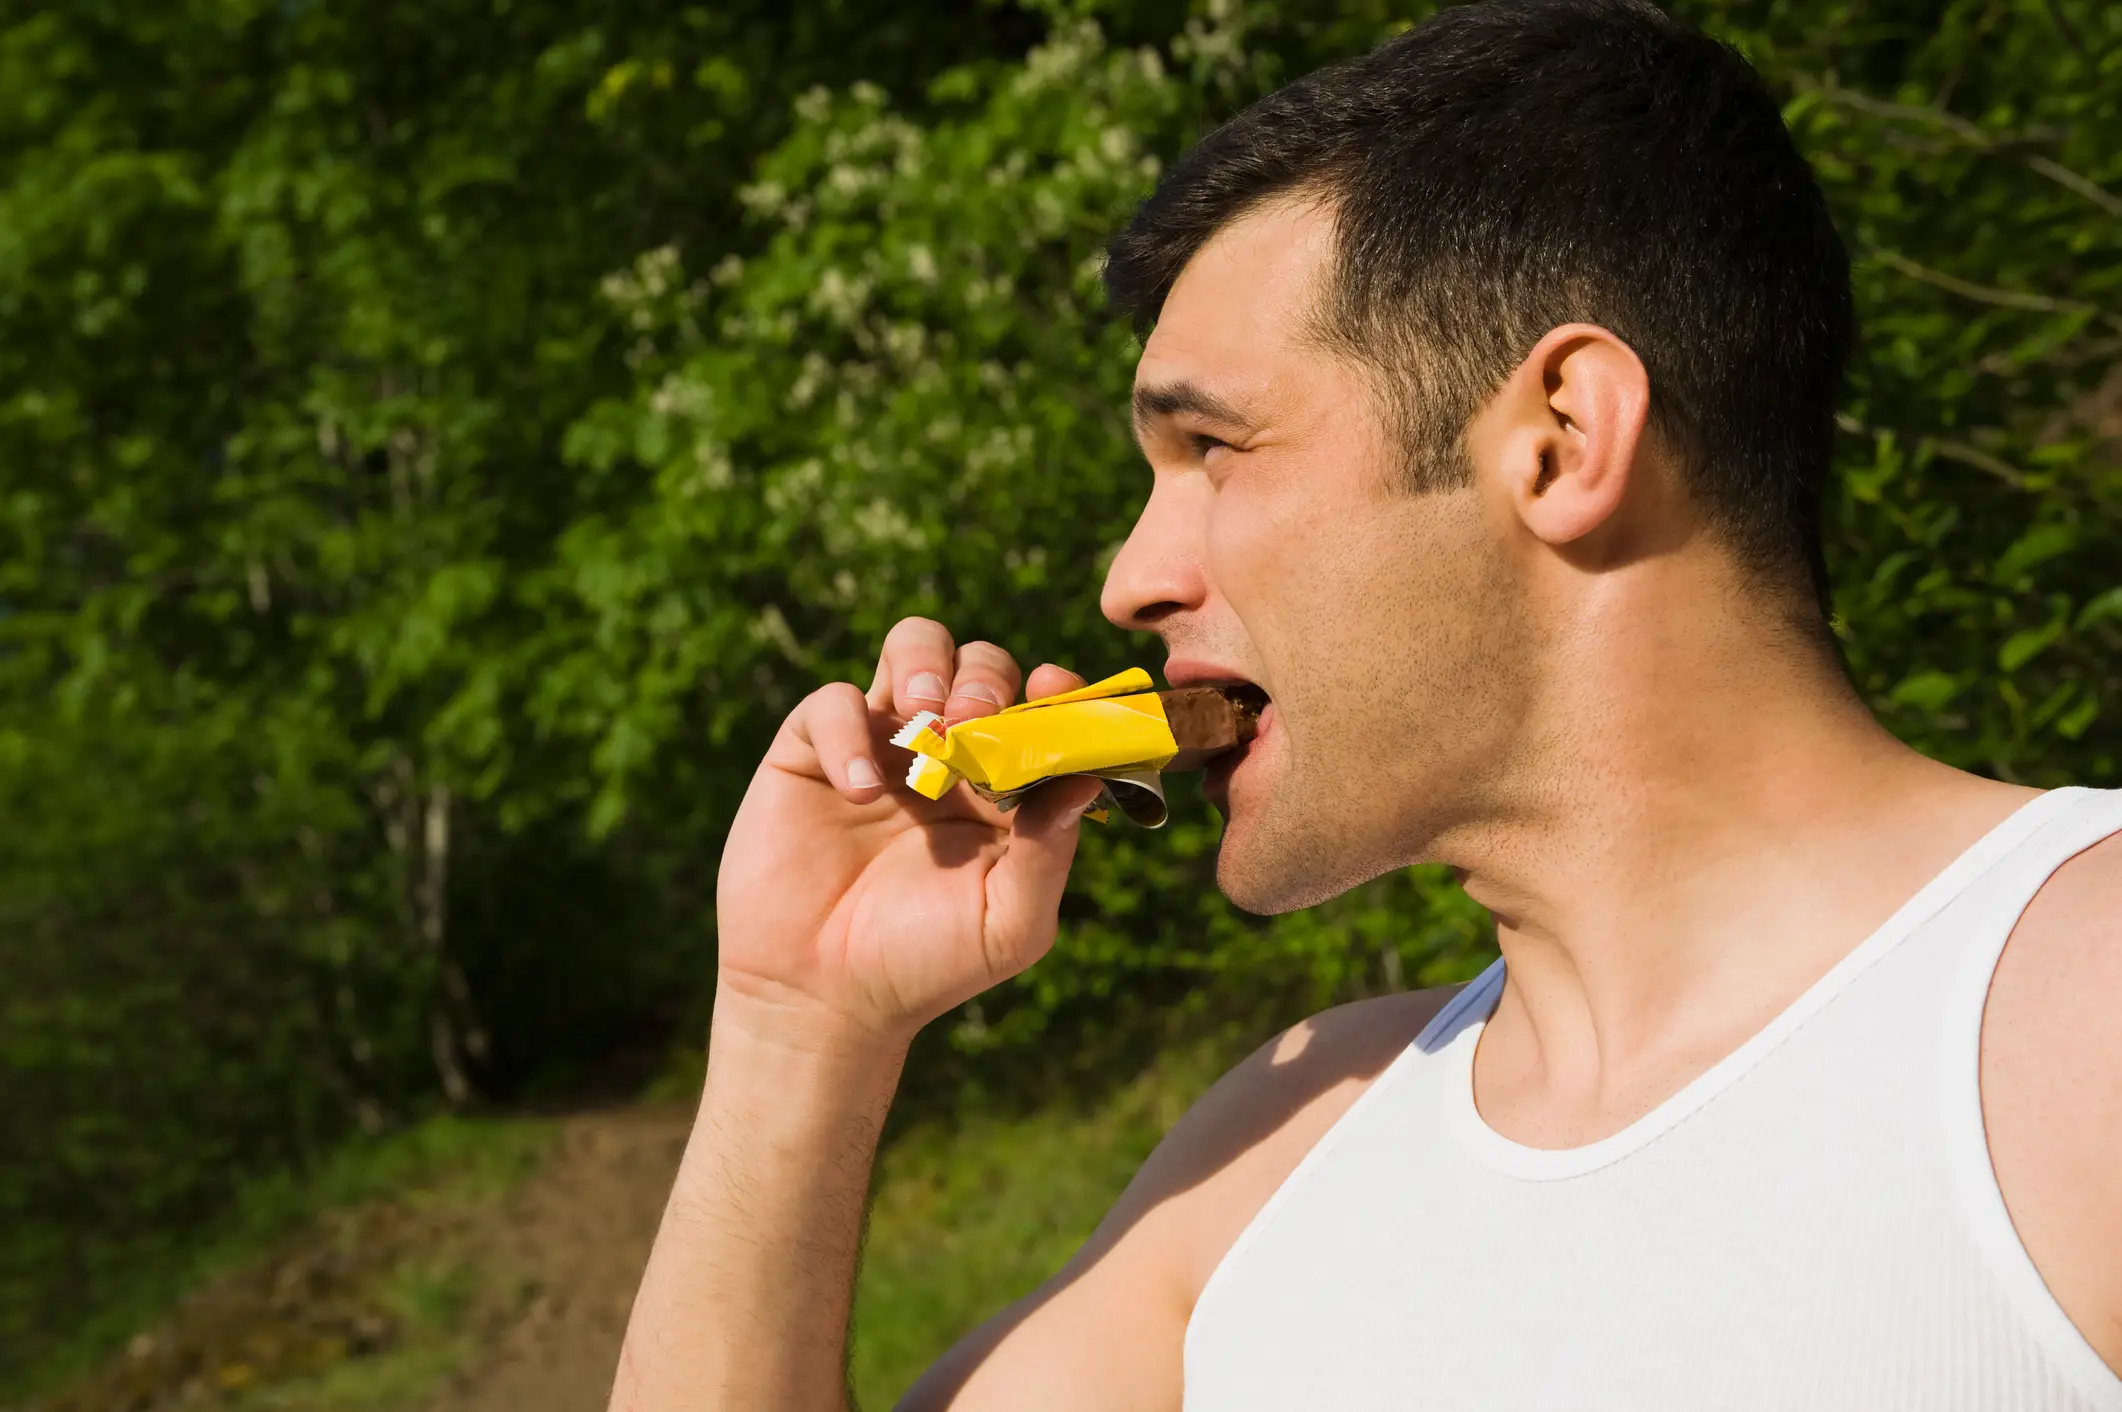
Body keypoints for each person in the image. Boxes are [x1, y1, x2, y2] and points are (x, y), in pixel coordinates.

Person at [606, 0, 2122, 1406]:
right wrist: (799, 1024)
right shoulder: (1283, 1148)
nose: (1129, 578)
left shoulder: (2082, 1017)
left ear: (1557, 439)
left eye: (1211, 447)